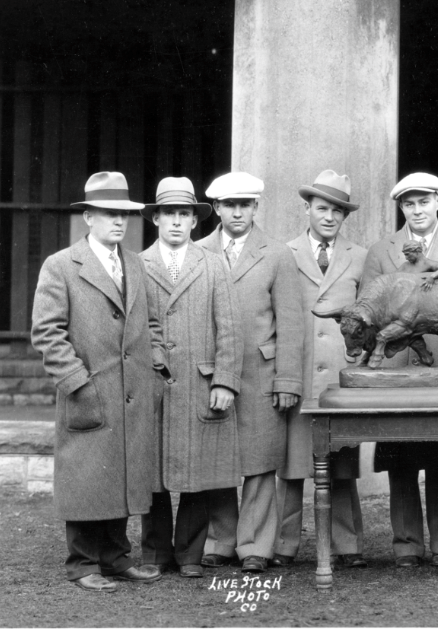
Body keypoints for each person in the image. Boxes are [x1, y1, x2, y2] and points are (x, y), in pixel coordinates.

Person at [31, 172, 168, 592]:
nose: (119, 222)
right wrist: (77, 382)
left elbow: (152, 322)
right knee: (87, 477)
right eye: (109, 214)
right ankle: (82, 563)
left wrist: (156, 367)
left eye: (124, 214)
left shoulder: (136, 264)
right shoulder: (61, 265)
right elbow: (46, 332)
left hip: (132, 392)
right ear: (88, 216)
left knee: (123, 475)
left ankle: (115, 557)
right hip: (88, 390)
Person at [362, 172, 438, 568]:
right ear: (401, 207)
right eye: (409, 204)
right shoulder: (381, 251)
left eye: (424, 202)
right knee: (400, 461)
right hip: (395, 368)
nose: (417, 210)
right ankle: (406, 545)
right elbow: (371, 310)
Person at [196, 171, 304, 574]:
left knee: (260, 459)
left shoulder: (276, 254)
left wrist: (288, 380)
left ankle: (255, 545)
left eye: (245, 205)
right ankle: (220, 540)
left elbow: (291, 323)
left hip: (262, 372)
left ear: (256, 207)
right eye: (229, 205)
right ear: (217, 209)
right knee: (218, 458)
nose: (237, 213)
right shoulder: (199, 251)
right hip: (211, 372)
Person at [138, 177, 243, 579]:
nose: (177, 222)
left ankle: (190, 555)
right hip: (153, 383)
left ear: (195, 221)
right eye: (170, 214)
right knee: (155, 474)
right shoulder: (138, 264)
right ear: (156, 219)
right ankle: (154, 553)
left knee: (198, 472)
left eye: (184, 214)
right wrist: (151, 359)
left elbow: (230, 327)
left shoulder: (213, 264)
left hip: (201, 383)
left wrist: (225, 381)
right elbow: (133, 327)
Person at [275, 170, 367, 569]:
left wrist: (361, 359)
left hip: (341, 378)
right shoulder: (284, 253)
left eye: (337, 211)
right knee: (292, 467)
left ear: (345, 217)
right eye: (322, 208)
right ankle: (283, 545)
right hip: (299, 372)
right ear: (307, 209)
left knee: (342, 466)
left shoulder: (360, 256)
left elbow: (368, 316)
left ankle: (348, 546)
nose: (329, 217)